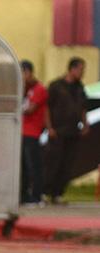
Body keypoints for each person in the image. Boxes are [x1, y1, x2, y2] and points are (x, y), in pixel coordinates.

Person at [46, 57, 89, 204]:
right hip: (58, 131)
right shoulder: (56, 86)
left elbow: (83, 107)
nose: (82, 73)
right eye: (81, 69)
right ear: (72, 69)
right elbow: (47, 107)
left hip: (73, 131)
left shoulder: (80, 88)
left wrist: (85, 124)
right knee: (54, 162)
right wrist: (49, 127)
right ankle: (47, 191)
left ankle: (58, 193)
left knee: (68, 163)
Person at [20, 60, 47, 206]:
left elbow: (30, 108)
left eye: (23, 72)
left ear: (29, 72)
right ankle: (24, 194)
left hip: (32, 132)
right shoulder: (22, 88)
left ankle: (36, 194)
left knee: (33, 165)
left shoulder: (38, 89)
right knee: (22, 166)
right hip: (21, 131)